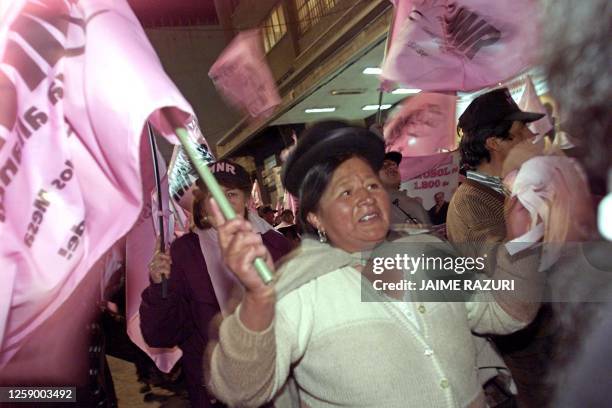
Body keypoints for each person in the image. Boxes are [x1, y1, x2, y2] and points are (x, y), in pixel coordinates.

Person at [204, 122, 541, 408]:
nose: (366, 197)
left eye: (370, 184)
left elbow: (506, 313)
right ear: (315, 217)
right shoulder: (300, 289)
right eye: (345, 192)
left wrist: (521, 243)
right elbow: (240, 390)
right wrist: (258, 299)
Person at [139, 160, 291, 408]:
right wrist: (159, 287)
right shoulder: (185, 252)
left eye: (231, 194)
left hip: (274, 388)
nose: (222, 202)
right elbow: (160, 335)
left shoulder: (276, 245)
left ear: (245, 200)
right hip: (215, 394)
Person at [379, 150, 431, 225]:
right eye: (385, 165)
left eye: (394, 164)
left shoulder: (414, 205)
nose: (392, 167)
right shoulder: (372, 206)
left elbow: (429, 235)